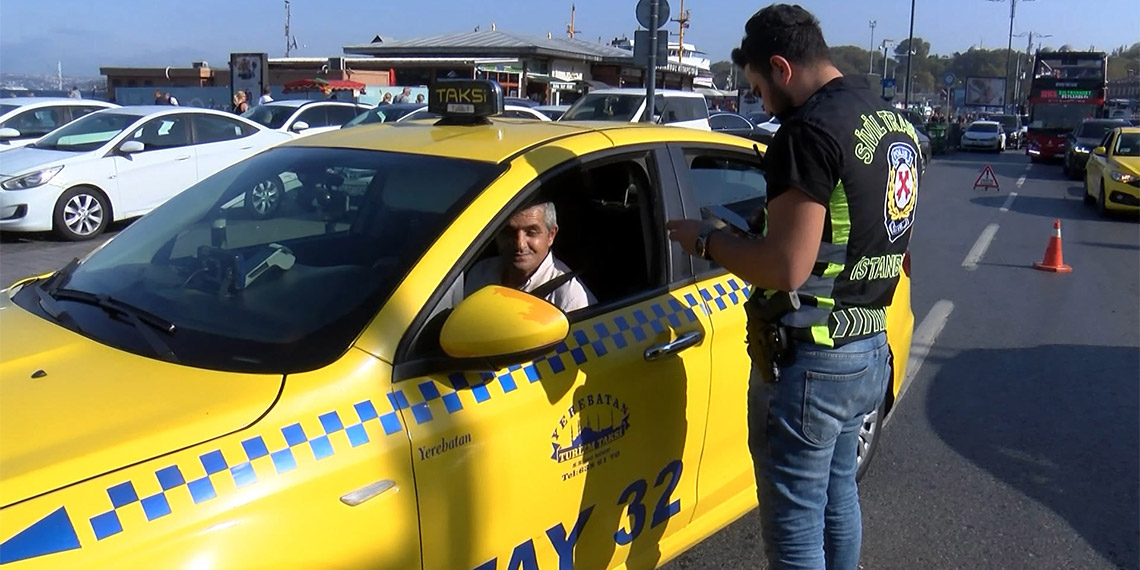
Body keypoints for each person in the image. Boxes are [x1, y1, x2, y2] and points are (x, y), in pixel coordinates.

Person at [666, 5, 918, 569]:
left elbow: (786, 268)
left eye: (758, 88)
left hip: (814, 359)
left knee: (797, 529)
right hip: (867, 345)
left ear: (781, 67)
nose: (759, 102)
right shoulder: (891, 123)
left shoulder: (806, 134)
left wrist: (708, 240)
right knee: (837, 501)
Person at [464, 201, 595, 313]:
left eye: (531, 232)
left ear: (551, 235)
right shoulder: (481, 273)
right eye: (509, 232)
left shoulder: (570, 298)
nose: (519, 244)